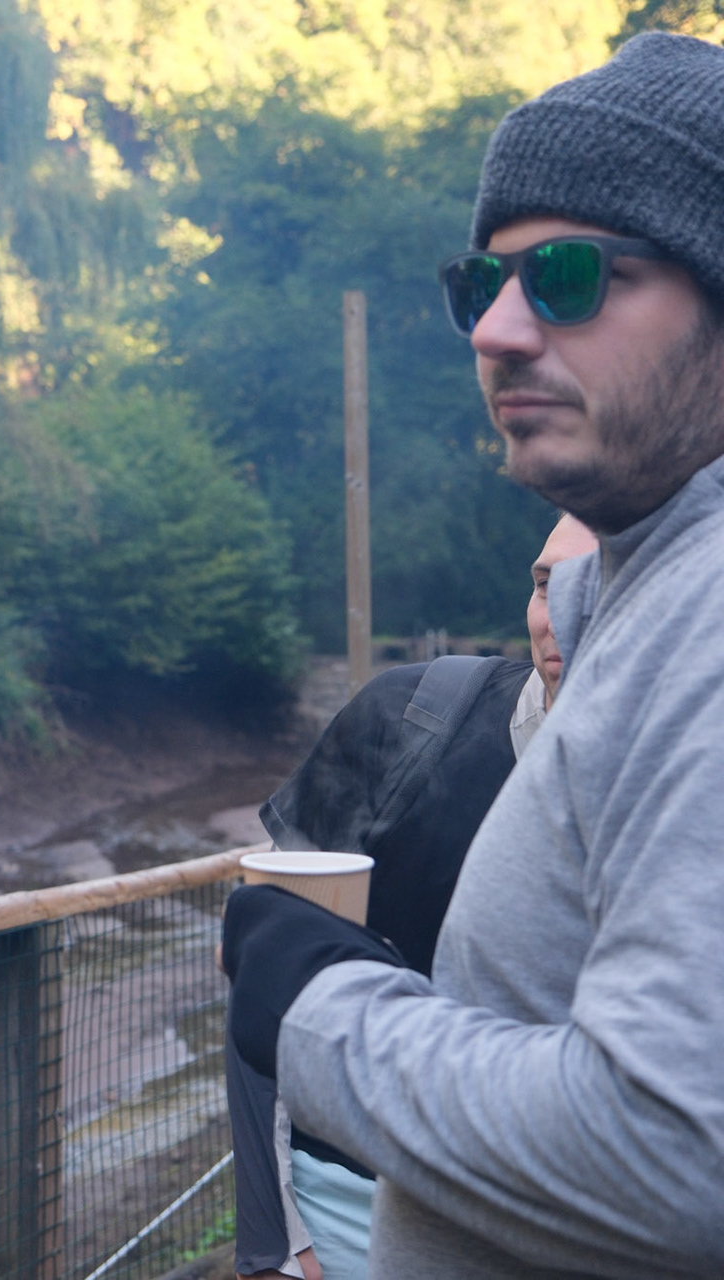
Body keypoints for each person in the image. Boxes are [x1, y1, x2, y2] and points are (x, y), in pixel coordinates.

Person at [223, 32, 724, 1278]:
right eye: (481, 283)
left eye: (568, 276)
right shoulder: (652, 593)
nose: (496, 330)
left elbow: (673, 1158)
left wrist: (323, 1010)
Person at [232, 515, 596, 1279]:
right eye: (544, 585)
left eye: (596, 584)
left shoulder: (686, 789)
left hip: (570, 1223)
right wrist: (274, 1237)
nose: (557, 615)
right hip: (347, 1201)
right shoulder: (408, 720)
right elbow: (270, 971)